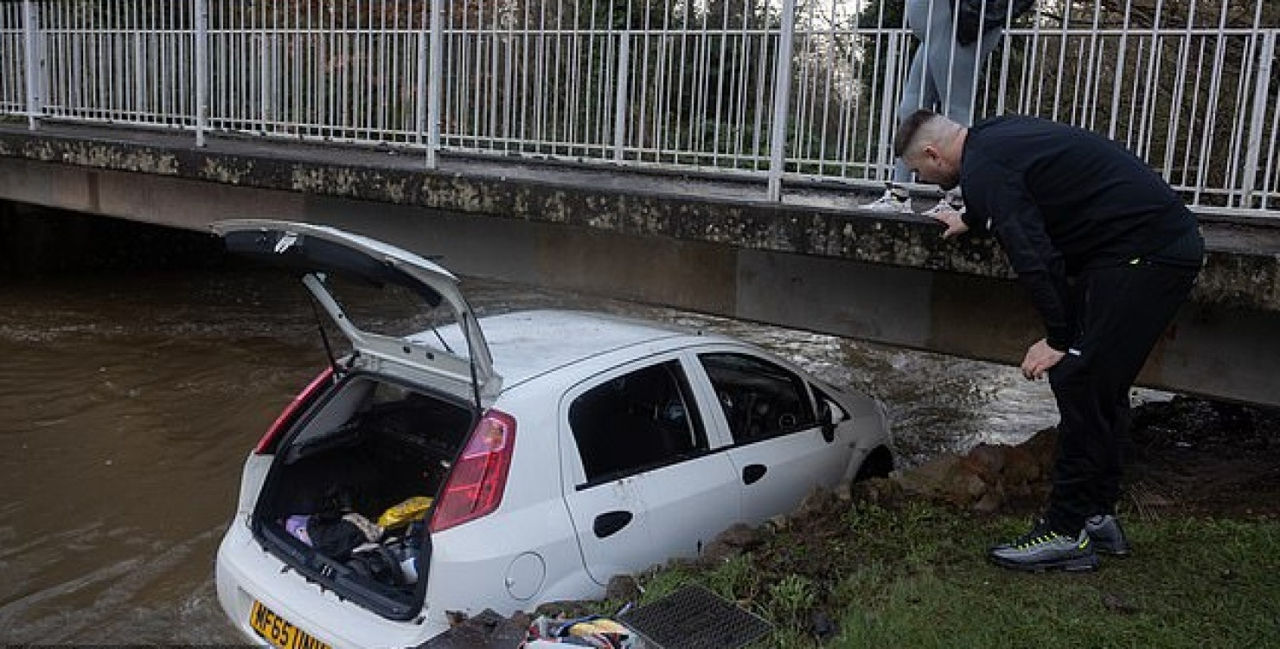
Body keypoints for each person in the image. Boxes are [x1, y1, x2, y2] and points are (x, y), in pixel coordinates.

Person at [894, 109, 1204, 572]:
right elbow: (1016, 192)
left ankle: (1065, 532)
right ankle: (1096, 515)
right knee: (1101, 388)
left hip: (1145, 255)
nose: (925, 179)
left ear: (934, 154)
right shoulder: (991, 137)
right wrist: (973, 216)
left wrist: (1060, 338)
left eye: (921, 171)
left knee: (1078, 376)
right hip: (1140, 250)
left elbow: (1035, 257)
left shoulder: (985, 168)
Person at [865, 0, 1005, 215]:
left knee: (956, 109)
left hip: (956, 24)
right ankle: (899, 194)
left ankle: (957, 198)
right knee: (911, 107)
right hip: (938, 27)